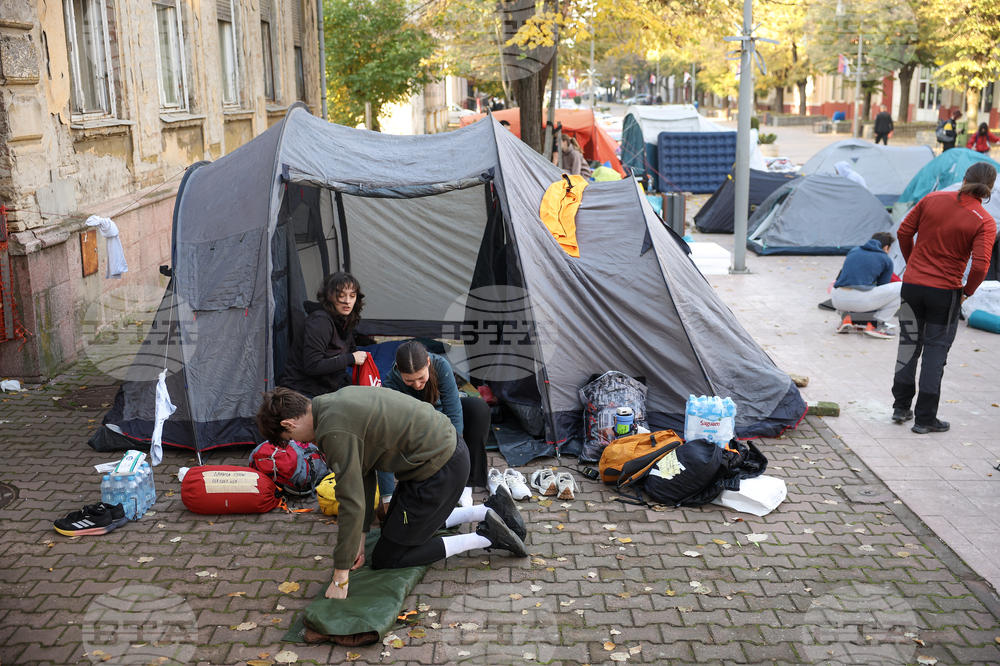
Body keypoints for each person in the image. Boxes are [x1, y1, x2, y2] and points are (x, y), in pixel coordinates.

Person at [256, 387, 528, 603]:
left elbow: (350, 501)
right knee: (394, 528)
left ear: (289, 423)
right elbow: (363, 474)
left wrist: (340, 576)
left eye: (290, 438)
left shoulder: (333, 431)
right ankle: (487, 510)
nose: (299, 444)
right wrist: (360, 539)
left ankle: (486, 536)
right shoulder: (329, 403)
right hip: (439, 457)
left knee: (389, 557)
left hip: (440, 469)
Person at [891, 162, 997, 433]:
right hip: (945, 293)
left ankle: (901, 407)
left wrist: (912, 262)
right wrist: (967, 292)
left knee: (908, 344)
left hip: (912, 286)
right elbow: (981, 265)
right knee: (935, 352)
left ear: (963, 179)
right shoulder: (984, 220)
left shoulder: (932, 199)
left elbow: (903, 231)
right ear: (990, 189)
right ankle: (925, 420)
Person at [383, 341, 490, 507]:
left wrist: (457, 453)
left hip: (442, 414)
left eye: (421, 378)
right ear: (398, 369)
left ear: (427, 362)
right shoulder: (391, 383)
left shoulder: (440, 365)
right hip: (417, 427)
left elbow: (453, 410)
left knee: (479, 409)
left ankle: (466, 483)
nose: (417, 385)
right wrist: (387, 497)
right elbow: (385, 436)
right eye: (409, 381)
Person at [278, 272, 367, 398]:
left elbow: (351, 351)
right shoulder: (320, 322)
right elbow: (313, 366)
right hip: (303, 393)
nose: (347, 302)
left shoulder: (344, 319)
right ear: (329, 297)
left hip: (327, 388)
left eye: (352, 296)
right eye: (341, 296)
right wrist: (351, 358)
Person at [831, 232, 902, 338]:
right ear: (886, 247)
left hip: (836, 298)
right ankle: (877, 325)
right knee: (902, 287)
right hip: (858, 301)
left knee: (855, 289)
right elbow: (882, 286)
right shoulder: (885, 259)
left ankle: (846, 318)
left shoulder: (853, 251)